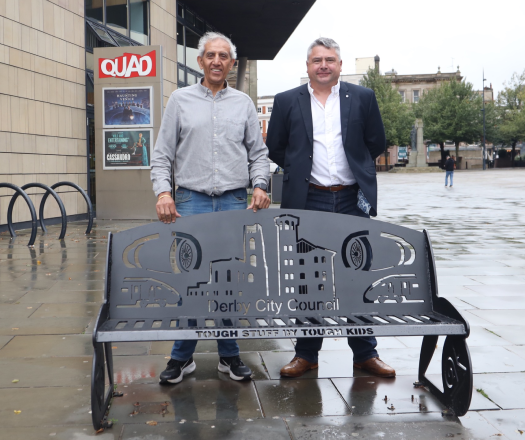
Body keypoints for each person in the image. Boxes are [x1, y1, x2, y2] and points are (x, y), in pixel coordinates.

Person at [265, 36, 396, 379]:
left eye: (330, 60)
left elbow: (376, 142)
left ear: (339, 65)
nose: (323, 65)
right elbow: (276, 147)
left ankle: (365, 353)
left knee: (358, 275)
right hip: (310, 200)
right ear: (307, 67)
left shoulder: (363, 98)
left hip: (352, 199)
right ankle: (306, 354)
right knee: (309, 280)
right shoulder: (286, 101)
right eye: (317, 60)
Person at [150, 31, 271, 384]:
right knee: (192, 281)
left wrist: (261, 185)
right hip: (190, 201)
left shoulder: (244, 104)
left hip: (234, 202)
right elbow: (162, 155)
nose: (217, 61)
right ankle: (181, 358)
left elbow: (258, 155)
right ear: (200, 61)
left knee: (228, 281)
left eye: (224, 56)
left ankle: (229, 356)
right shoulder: (180, 101)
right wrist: (163, 193)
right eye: (210, 55)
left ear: (232, 63)